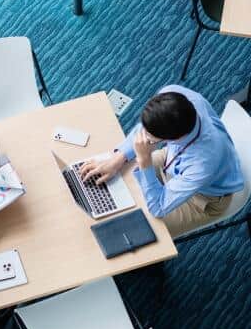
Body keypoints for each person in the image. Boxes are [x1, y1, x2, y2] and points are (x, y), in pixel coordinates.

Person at [80, 85, 244, 238]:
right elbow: (148, 129)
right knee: (116, 182)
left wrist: (144, 160)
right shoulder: (174, 94)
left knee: (135, 231)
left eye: (150, 139)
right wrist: (117, 159)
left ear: (174, 138)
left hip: (203, 199)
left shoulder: (202, 165)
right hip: (172, 160)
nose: (144, 137)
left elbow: (158, 208)